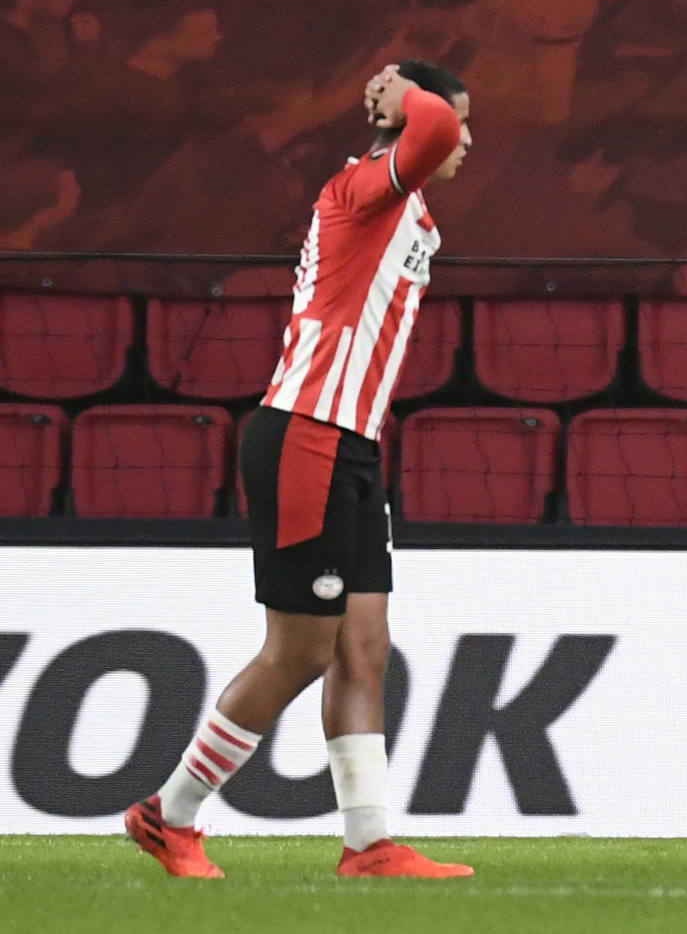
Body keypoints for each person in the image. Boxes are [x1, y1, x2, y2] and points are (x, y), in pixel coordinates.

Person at [124, 59, 476, 878]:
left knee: (364, 648)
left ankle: (368, 843)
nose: (468, 141)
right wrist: (407, 97)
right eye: (458, 120)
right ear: (404, 120)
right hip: (307, 435)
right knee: (300, 651)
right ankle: (165, 815)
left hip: (352, 445)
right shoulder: (363, 189)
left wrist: (418, 108)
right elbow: (438, 130)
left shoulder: (408, 211)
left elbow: (441, 136)